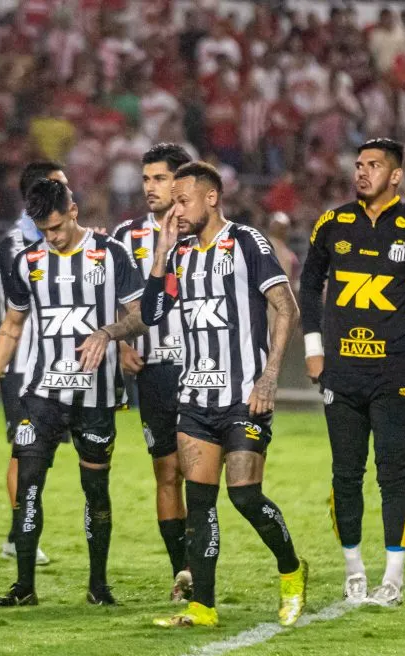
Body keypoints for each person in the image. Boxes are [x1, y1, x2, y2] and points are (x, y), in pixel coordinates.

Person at [299, 138, 405, 607]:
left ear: (395, 176)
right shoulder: (332, 223)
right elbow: (309, 284)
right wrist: (314, 348)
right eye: (358, 164)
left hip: (393, 374)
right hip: (341, 374)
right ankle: (354, 571)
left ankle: (392, 576)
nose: (362, 172)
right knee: (344, 475)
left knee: (392, 474)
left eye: (373, 165)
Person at [141, 161, 308, 629]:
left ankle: (292, 572)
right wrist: (161, 249)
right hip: (194, 398)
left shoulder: (247, 242)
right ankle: (203, 607)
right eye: (172, 201)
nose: (175, 209)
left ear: (210, 198)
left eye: (182, 199)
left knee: (246, 497)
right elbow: (153, 313)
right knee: (200, 503)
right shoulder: (179, 253)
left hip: (243, 397)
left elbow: (285, 307)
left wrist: (270, 375)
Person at [0, 179, 146, 607]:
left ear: (73, 210)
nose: (51, 237)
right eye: (43, 231)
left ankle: (98, 586)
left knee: (96, 490)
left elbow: (139, 317)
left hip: (96, 397)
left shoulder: (110, 254)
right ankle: (25, 586)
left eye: (56, 227)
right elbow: (11, 326)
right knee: (27, 482)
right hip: (40, 395)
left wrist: (109, 332)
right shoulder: (27, 262)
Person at [112, 142, 193, 602]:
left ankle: (201, 562)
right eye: (145, 179)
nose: (149, 187)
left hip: (202, 367)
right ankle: (181, 571)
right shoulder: (125, 238)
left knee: (200, 472)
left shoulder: (205, 231)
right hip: (155, 371)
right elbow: (110, 301)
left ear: (181, 181)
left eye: (159, 178)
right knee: (167, 473)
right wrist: (123, 343)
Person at [0, 161, 69, 567]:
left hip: (58, 363)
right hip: (25, 363)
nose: (67, 195)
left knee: (44, 455)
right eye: (59, 187)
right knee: (24, 454)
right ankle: (22, 533)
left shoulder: (61, 239)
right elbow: (22, 310)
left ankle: (15, 533)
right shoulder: (16, 246)